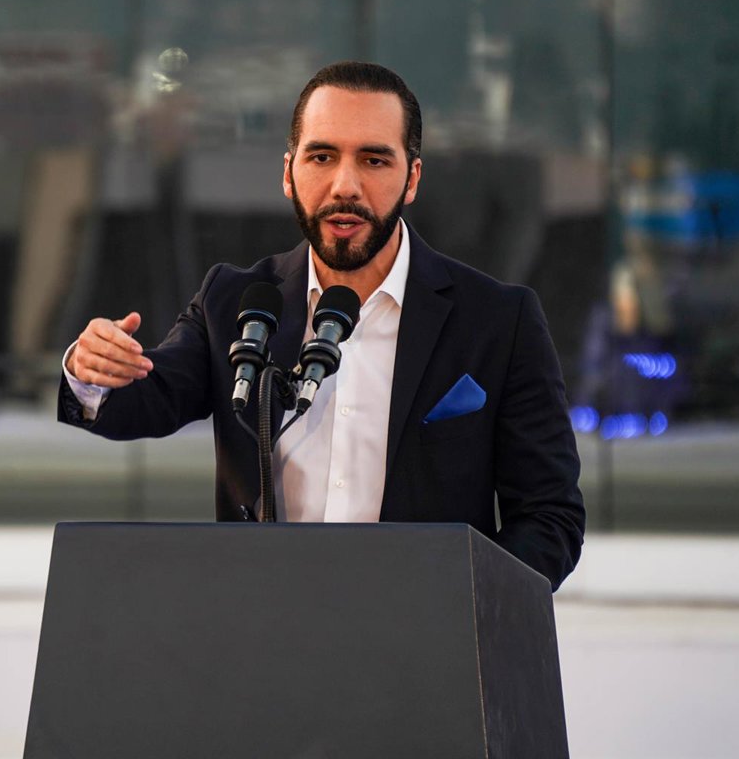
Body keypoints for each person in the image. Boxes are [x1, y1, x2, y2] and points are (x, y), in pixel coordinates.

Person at [59, 61, 584, 591]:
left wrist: (465, 603)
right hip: (264, 619)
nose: (345, 185)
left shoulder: (498, 320)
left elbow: (549, 516)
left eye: (374, 160)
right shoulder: (235, 301)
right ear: (289, 173)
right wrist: (91, 370)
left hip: (422, 629)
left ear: (412, 178)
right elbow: (148, 398)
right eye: (322, 156)